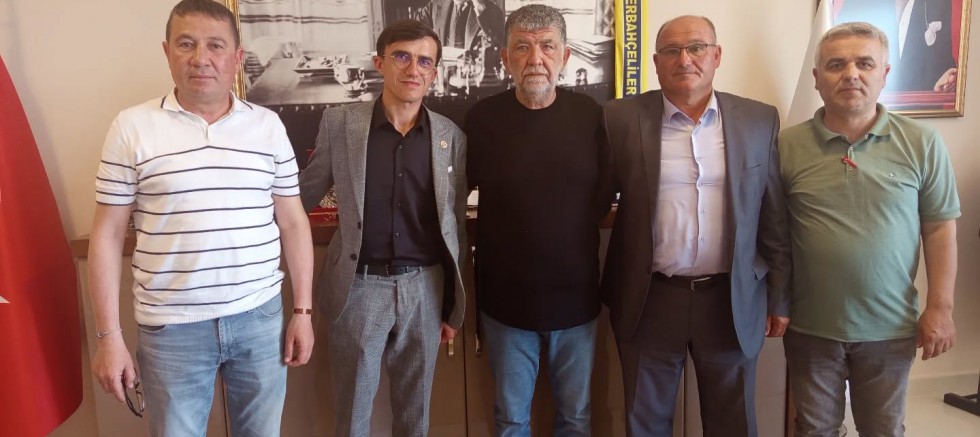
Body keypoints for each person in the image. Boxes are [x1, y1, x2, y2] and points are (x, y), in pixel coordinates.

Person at [88, 1, 315, 435]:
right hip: (172, 329)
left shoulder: (268, 127)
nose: (200, 58)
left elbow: (292, 222)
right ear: (167, 51)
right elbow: (107, 235)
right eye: (186, 44)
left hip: (259, 318)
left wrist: (302, 310)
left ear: (237, 57)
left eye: (215, 45)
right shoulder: (131, 128)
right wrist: (108, 336)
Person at [600, 15, 791, 437]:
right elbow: (594, 197)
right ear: (656, 62)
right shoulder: (620, 118)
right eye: (672, 51)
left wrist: (779, 297)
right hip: (650, 299)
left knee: (733, 424)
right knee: (645, 423)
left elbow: (773, 218)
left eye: (697, 48)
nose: (684, 59)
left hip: (730, 299)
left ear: (717, 55)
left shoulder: (759, 119)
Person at [780, 21, 959, 436]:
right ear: (816, 78)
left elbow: (939, 229)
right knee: (814, 430)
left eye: (865, 63)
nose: (851, 74)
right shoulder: (785, 146)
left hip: (890, 328)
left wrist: (941, 308)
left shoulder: (922, 143)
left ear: (885, 74)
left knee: (882, 430)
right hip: (810, 327)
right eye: (836, 65)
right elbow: (772, 235)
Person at [298, 19, 469, 437]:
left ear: (434, 72)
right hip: (358, 287)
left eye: (425, 61)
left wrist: (453, 304)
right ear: (380, 63)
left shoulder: (450, 136)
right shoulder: (341, 124)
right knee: (353, 418)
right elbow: (301, 197)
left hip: (425, 289)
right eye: (402, 57)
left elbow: (454, 225)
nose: (413, 69)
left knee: (415, 418)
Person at [463, 5, 609, 436]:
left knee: (576, 418)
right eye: (522, 48)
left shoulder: (591, 116)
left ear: (565, 56)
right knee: (511, 420)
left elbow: (603, 195)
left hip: (577, 302)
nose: (535, 59)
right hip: (505, 305)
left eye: (547, 46)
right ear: (505, 58)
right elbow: (457, 193)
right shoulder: (482, 119)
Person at [836, 0, 958, 92]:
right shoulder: (856, 3)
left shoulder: (939, 3)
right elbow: (839, 54)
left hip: (920, 110)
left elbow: (943, 60)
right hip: (865, 110)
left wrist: (946, 79)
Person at [413, 0, 505, 83]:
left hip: (472, 84)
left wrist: (480, 11)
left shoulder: (491, 11)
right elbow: (413, 34)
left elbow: (496, 46)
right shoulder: (435, 5)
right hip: (440, 82)